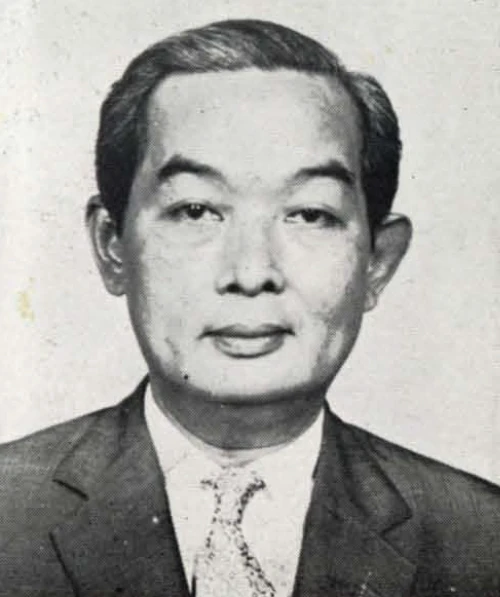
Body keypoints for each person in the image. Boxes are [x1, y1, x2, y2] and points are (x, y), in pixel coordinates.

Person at [0, 18, 499, 597]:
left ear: (377, 262)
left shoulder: (482, 541)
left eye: (309, 214)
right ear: (112, 246)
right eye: (195, 211)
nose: (251, 272)